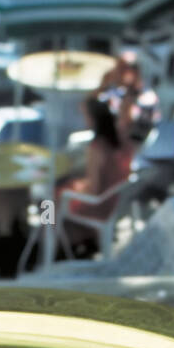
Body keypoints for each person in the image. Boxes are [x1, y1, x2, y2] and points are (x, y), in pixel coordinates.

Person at [55, 96, 134, 255]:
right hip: (112, 201)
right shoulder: (121, 141)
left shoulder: (97, 148)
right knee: (65, 187)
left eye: (86, 116)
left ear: (93, 119)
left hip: (99, 205)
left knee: (49, 199)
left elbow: (93, 188)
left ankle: (50, 242)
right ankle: (76, 238)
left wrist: (75, 188)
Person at [96, 49, 159, 145]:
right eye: (127, 125)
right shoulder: (145, 95)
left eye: (121, 127)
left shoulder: (111, 102)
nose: (121, 124)